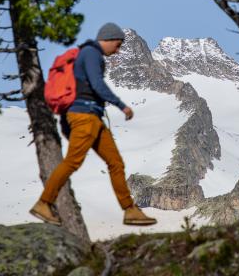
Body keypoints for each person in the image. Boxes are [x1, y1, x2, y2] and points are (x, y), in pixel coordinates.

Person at [30, 22, 157, 226]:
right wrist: (121, 106)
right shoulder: (91, 53)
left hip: (93, 118)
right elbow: (97, 84)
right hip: (84, 117)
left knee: (116, 163)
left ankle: (130, 210)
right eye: (118, 45)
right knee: (73, 161)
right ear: (110, 39)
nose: (118, 51)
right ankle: (44, 203)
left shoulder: (90, 54)